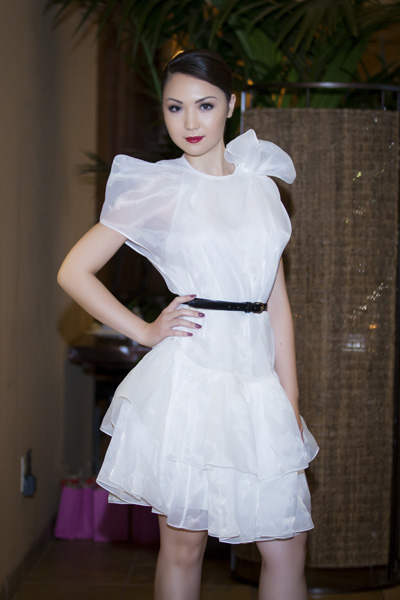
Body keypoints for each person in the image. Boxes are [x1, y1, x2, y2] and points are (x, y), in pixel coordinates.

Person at [58, 49, 318, 600]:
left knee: (287, 545)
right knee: (183, 546)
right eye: (175, 107)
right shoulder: (159, 186)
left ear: (231, 105)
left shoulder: (261, 185)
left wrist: (290, 403)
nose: (190, 121)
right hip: (192, 382)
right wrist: (145, 331)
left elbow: (277, 303)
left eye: (205, 105)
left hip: (258, 387)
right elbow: (74, 271)